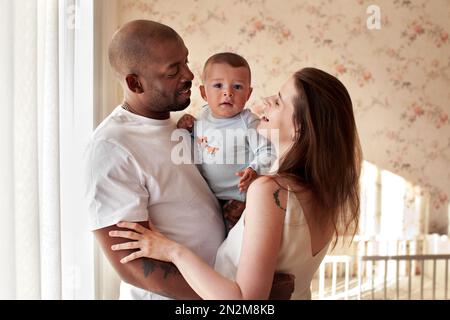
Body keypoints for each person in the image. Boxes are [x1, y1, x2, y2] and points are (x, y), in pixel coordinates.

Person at [109, 67, 363, 299]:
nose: (264, 102)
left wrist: (171, 250)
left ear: (300, 128)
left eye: (278, 101)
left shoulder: (269, 190)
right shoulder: (325, 192)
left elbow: (243, 303)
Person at [85, 19, 293, 300]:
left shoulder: (181, 128)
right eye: (173, 71)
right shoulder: (112, 147)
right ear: (135, 83)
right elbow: (132, 265)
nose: (190, 75)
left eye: (186, 61)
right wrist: (234, 299)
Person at [177, 52, 277, 230]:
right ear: (203, 92)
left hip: (239, 197)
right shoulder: (202, 117)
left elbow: (268, 152)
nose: (228, 93)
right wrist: (189, 129)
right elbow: (203, 146)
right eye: (218, 85)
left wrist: (254, 169)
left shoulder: (248, 122)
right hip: (209, 197)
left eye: (237, 87)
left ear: (248, 93)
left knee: (239, 243)